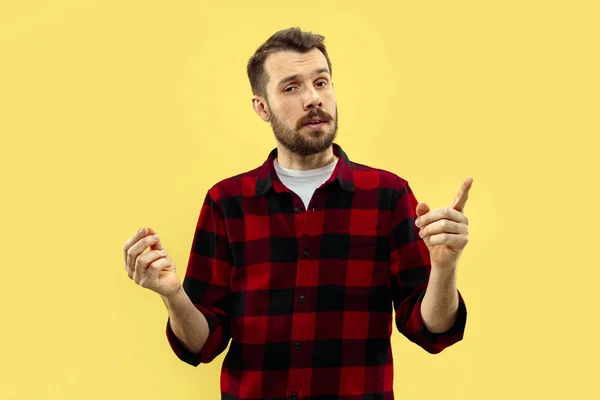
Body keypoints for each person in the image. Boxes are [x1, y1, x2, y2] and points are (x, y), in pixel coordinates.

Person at [122, 26, 472, 399]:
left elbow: (431, 329)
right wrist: (174, 295)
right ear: (262, 107)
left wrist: (445, 267)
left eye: (321, 83)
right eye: (291, 87)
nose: (312, 99)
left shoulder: (388, 195)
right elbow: (200, 345)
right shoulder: (227, 202)